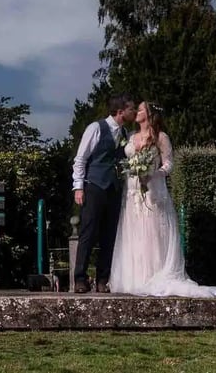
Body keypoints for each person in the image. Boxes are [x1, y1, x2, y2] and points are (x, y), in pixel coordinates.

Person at [108, 101, 216, 298]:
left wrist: (153, 173)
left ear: (149, 115)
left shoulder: (161, 137)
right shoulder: (130, 137)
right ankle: (135, 278)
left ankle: (153, 274)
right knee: (134, 231)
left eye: (140, 109)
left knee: (153, 231)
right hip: (132, 191)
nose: (137, 112)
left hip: (153, 190)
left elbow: (169, 164)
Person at [71, 94, 137, 293]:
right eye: (131, 109)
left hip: (114, 188)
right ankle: (80, 278)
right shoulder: (96, 128)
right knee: (88, 233)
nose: (133, 112)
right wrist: (78, 186)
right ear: (120, 111)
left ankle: (102, 279)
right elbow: (81, 158)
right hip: (94, 186)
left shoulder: (125, 133)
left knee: (110, 235)